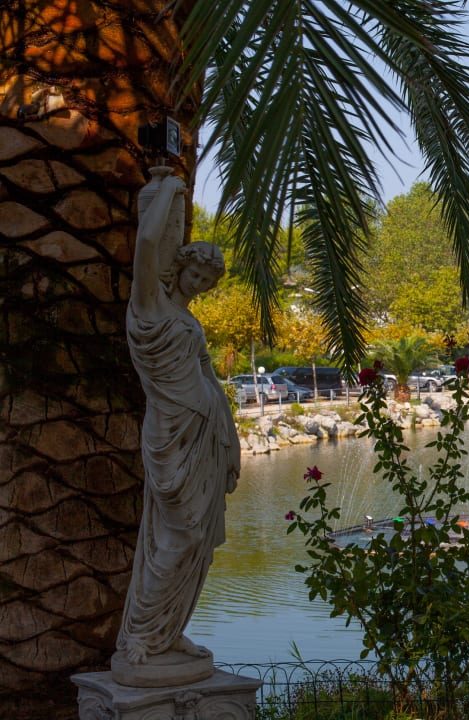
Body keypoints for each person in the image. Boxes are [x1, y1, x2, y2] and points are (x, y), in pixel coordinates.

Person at [115, 171, 240, 679]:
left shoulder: (190, 321)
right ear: (180, 265)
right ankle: (142, 634)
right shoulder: (148, 303)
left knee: (198, 539)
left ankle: (169, 630)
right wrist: (170, 188)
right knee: (180, 534)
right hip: (171, 434)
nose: (201, 287)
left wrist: (231, 439)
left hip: (206, 430)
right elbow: (147, 241)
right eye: (196, 277)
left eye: (208, 284)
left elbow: (211, 380)